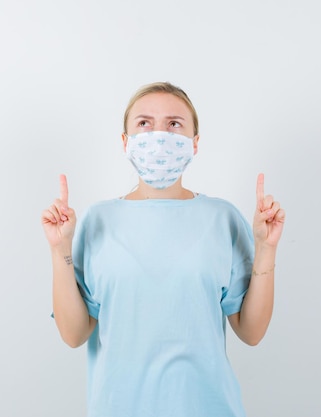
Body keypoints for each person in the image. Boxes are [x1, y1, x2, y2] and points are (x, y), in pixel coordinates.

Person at [41, 81, 286, 417]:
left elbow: (252, 331)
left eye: (174, 124)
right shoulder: (98, 220)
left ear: (194, 143)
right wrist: (59, 251)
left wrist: (266, 249)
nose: (159, 135)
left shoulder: (222, 219)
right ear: (125, 142)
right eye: (144, 123)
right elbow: (73, 334)